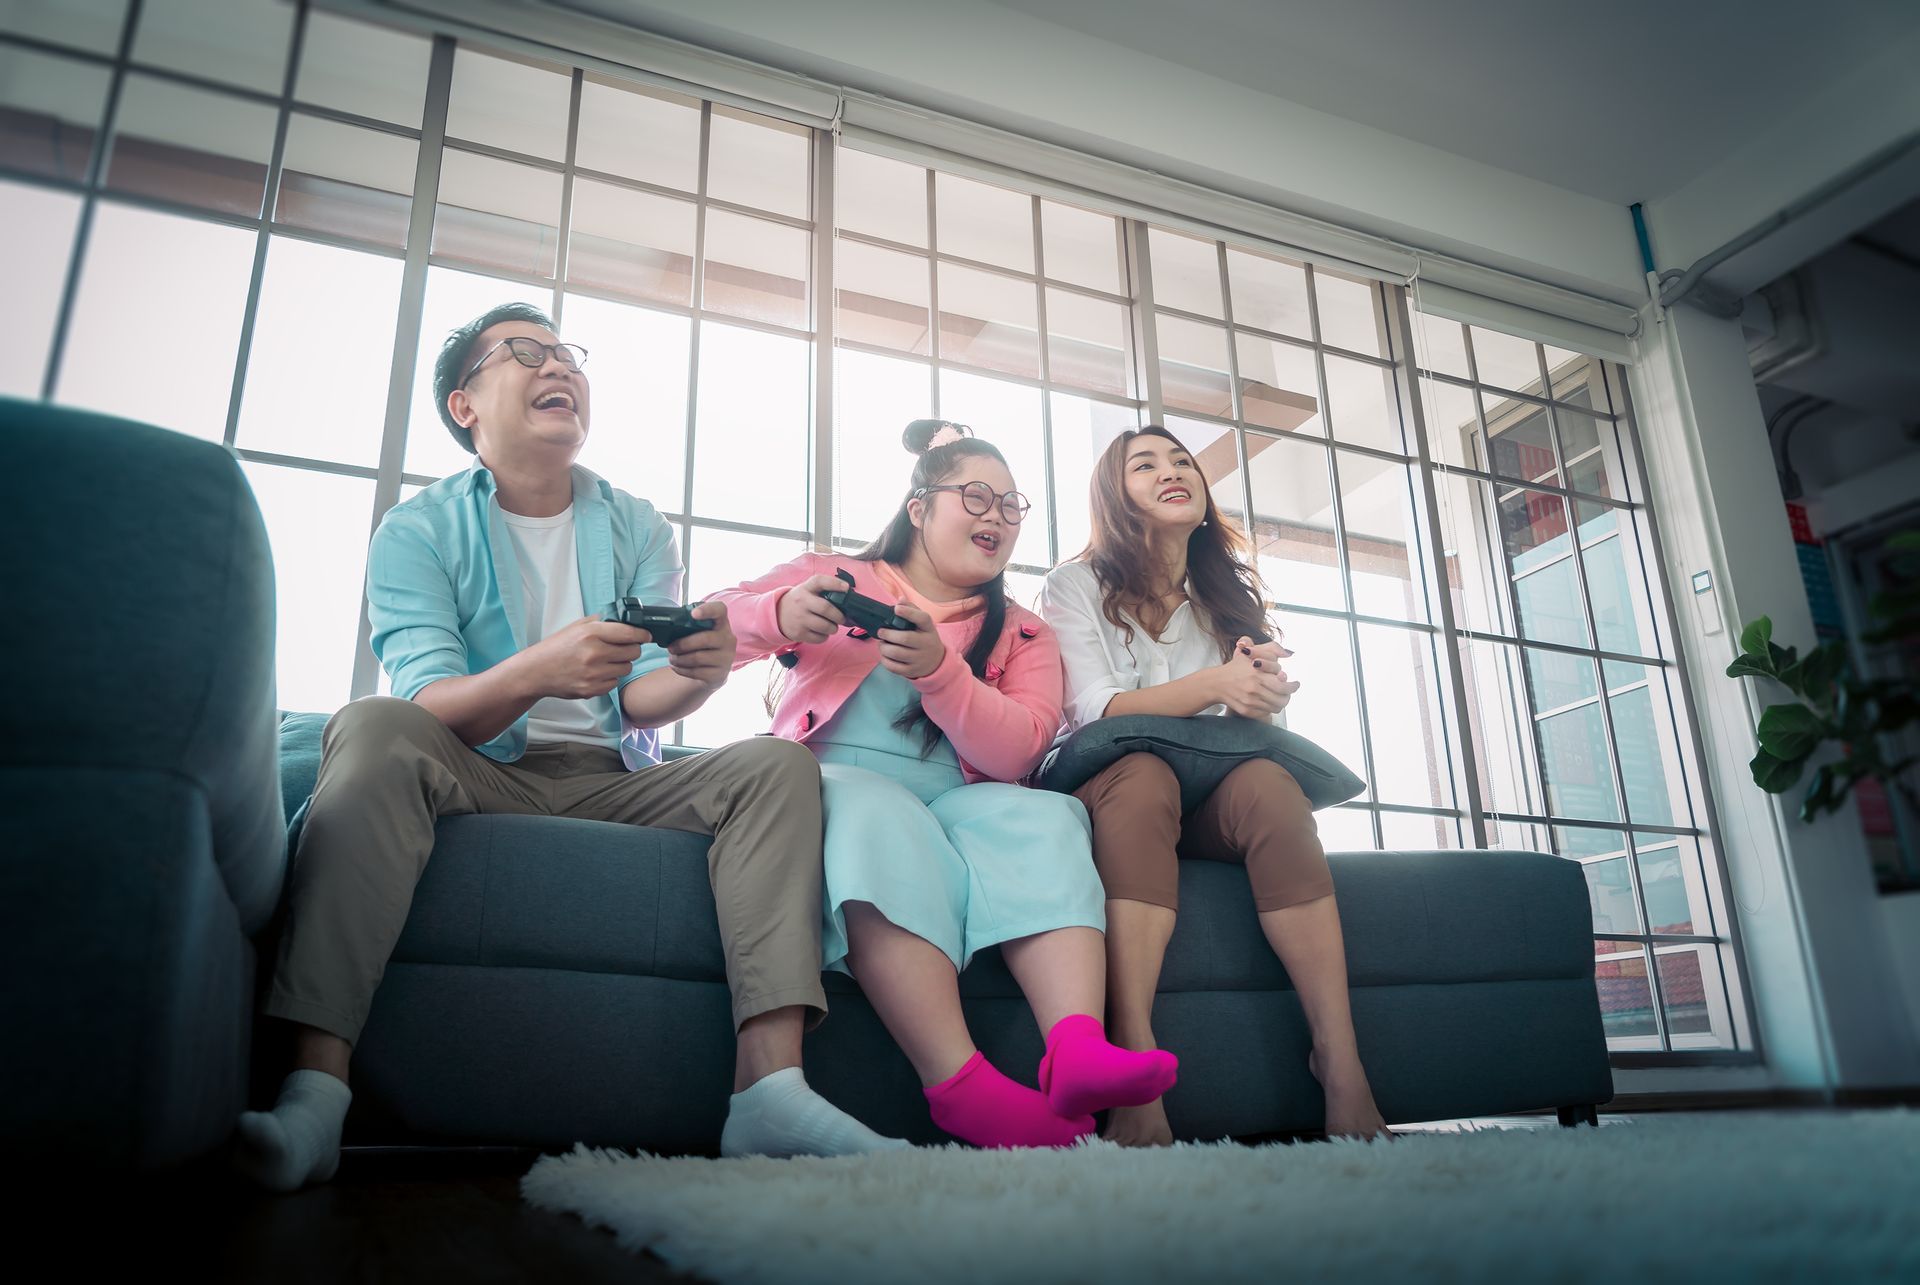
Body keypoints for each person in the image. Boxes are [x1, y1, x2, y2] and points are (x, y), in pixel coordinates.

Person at [236, 303, 901, 1191]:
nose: (559, 366)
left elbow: (640, 699)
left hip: (612, 779)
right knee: (372, 723)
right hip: (476, 768)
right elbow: (431, 702)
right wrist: (537, 669)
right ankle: (316, 1092)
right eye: (525, 353)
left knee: (776, 766)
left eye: (567, 355)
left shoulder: (635, 523)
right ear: (465, 404)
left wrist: (701, 673)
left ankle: (768, 1090)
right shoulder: (416, 530)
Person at [710, 420, 1178, 1148]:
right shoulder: (835, 575)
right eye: (976, 495)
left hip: (961, 795)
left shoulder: (1024, 632)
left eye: (1011, 505)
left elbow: (1021, 746)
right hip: (832, 781)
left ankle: (1077, 1045)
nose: (995, 514)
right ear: (919, 507)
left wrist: (940, 671)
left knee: (1047, 817)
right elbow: (712, 624)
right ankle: (959, 1083)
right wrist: (777, 613)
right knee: (876, 813)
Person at [1039, 424, 1389, 1145]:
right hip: (1117, 794)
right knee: (1140, 774)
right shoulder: (1072, 584)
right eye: (1145, 464)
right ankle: (1133, 1055)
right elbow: (1096, 712)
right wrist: (1215, 682)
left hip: (1213, 796)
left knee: (1269, 783)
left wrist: (1259, 690)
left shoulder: (1225, 597)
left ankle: (1341, 1059)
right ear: (1114, 493)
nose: (1172, 471)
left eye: (1181, 461)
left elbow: (1258, 729)